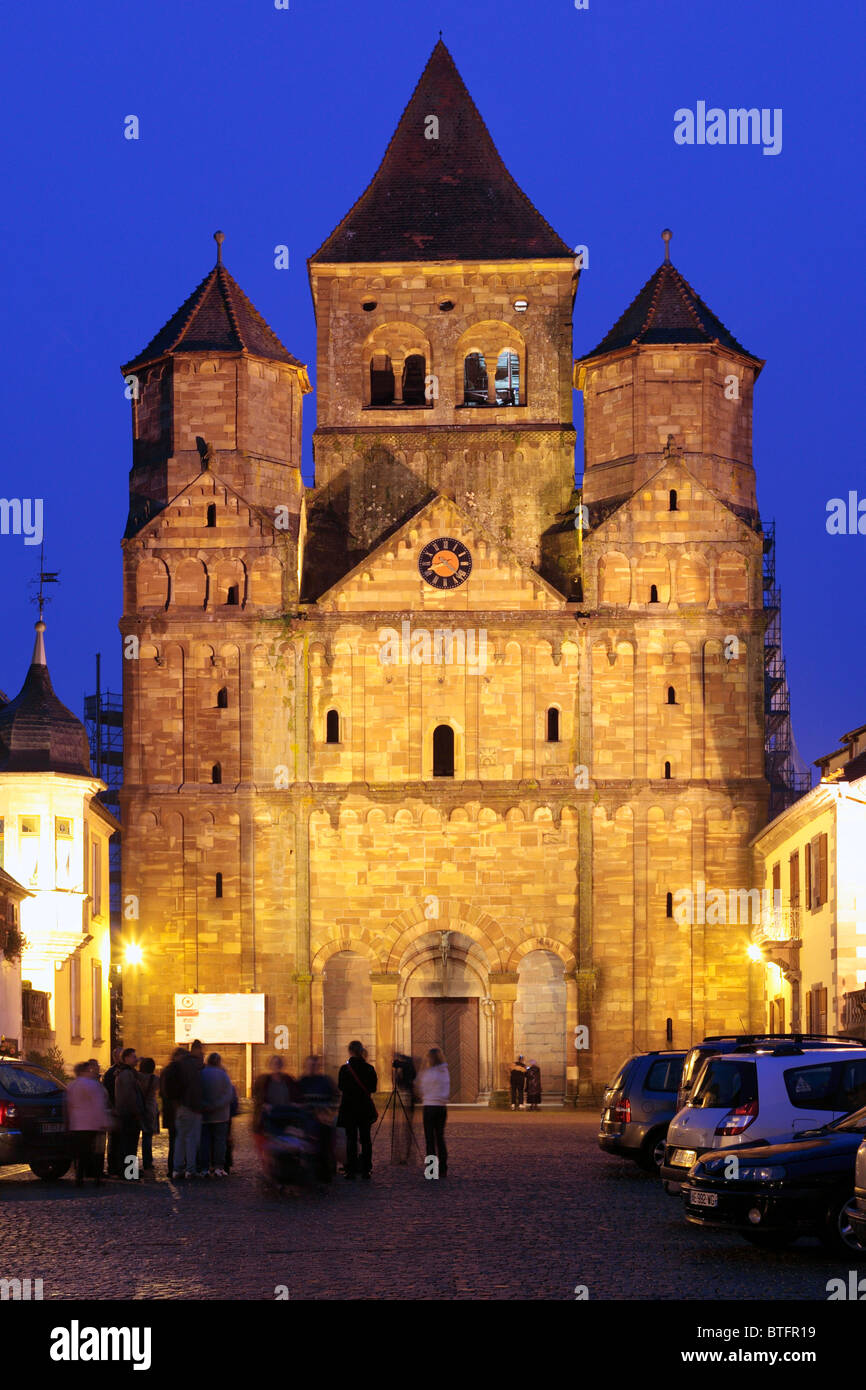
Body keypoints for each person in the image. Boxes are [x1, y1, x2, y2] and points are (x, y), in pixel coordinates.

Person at [64, 1060, 112, 1186]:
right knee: (93, 1152)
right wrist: (104, 1121)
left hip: (76, 1123)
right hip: (91, 1123)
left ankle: (79, 1177)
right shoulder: (93, 1085)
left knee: (81, 1153)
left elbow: (68, 1105)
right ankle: (97, 1177)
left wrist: (68, 1121)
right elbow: (98, 1105)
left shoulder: (72, 1085)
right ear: (86, 1071)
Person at [337, 1041, 378, 1180]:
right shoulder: (369, 1068)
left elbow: (341, 1087)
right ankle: (366, 1169)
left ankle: (351, 1170)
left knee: (351, 1139)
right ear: (362, 1051)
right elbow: (373, 1088)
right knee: (366, 1139)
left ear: (350, 1051)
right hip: (364, 1108)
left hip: (349, 1108)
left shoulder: (344, 1069)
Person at [298, 1055, 338, 1182]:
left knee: (325, 1143)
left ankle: (325, 1172)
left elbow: (334, 1099)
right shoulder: (301, 1082)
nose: (312, 1068)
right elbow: (297, 1102)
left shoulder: (325, 1081)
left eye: (315, 1065)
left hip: (323, 1119)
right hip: (306, 1119)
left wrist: (326, 1113)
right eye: (310, 1065)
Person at [170, 1041, 205, 1179]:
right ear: (197, 1050)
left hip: (180, 1106)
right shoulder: (193, 1065)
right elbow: (195, 1088)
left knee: (180, 1139)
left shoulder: (179, 1065)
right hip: (191, 1107)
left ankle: (177, 1169)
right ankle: (190, 1169)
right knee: (191, 1139)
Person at [198, 1053, 234, 1177]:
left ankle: (204, 1168)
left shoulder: (201, 1074)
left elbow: (197, 1094)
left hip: (204, 1115)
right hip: (221, 1115)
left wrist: (205, 1105)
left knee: (204, 1142)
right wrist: (217, 1105)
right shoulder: (223, 1075)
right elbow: (228, 1095)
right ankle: (219, 1167)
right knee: (220, 1142)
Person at [417, 1047, 449, 1178]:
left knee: (430, 1140)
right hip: (441, 1107)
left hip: (429, 1107)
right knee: (440, 1138)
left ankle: (431, 1171)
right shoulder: (445, 1071)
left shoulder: (428, 1073)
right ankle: (443, 1168)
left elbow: (420, 1088)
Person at [114, 1047, 145, 1179]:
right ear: (126, 1058)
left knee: (129, 1144)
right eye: (133, 1056)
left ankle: (128, 1171)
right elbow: (129, 1096)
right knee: (130, 1145)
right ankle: (129, 1172)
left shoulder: (127, 1072)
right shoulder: (126, 1074)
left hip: (127, 1113)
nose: (135, 1059)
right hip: (129, 1114)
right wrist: (136, 1111)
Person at [252, 1055, 300, 1133]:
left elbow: (295, 1095)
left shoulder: (288, 1079)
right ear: (270, 1065)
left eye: (279, 1063)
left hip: (286, 1114)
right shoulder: (263, 1080)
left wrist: (294, 1104)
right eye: (274, 1063)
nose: (277, 1065)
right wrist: (263, 1105)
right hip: (270, 1115)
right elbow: (258, 1097)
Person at [159, 1047, 186, 1178]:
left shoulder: (166, 1071)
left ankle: (173, 1167)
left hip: (170, 1111)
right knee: (177, 1140)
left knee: (173, 1140)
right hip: (175, 1111)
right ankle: (176, 1167)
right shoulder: (175, 1071)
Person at [102, 1046, 124, 1176]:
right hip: (117, 1111)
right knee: (116, 1142)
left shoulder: (122, 1072)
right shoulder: (112, 1073)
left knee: (123, 1142)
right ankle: (117, 1168)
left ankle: (125, 1169)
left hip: (123, 1111)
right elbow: (108, 1093)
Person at [137, 1058, 159, 1177]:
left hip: (138, 1107)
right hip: (150, 1108)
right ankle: (147, 1162)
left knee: (133, 1140)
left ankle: (131, 1169)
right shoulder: (155, 1079)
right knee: (147, 1137)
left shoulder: (136, 1077)